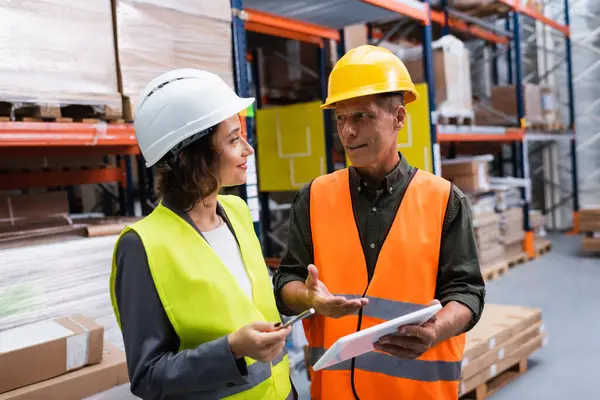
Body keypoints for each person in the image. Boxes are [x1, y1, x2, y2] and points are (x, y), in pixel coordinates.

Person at [273, 45, 486, 399]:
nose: (348, 132)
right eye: (340, 118)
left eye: (362, 116)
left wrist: (435, 330)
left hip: (415, 392)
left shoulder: (444, 200)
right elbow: (286, 281)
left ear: (399, 118)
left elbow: (467, 292)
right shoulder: (313, 198)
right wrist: (307, 297)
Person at [109, 69, 295, 400]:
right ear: (191, 157)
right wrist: (232, 349)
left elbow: (249, 303)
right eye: (234, 139)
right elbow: (148, 376)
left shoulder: (236, 212)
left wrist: (302, 296)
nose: (247, 150)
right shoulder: (142, 245)